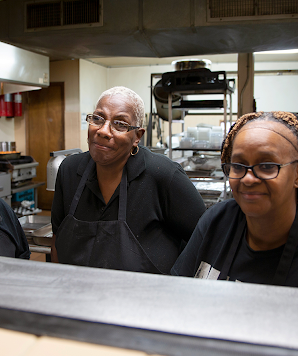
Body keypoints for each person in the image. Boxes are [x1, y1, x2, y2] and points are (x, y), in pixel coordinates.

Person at [172, 112, 298, 294]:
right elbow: (176, 294)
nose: (248, 178)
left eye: (267, 165)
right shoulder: (216, 222)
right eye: (238, 165)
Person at [51, 86, 206, 274]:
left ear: (137, 136)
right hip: (77, 295)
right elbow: (57, 239)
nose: (103, 131)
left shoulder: (163, 175)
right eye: (98, 119)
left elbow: (205, 240)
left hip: (145, 299)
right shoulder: (69, 170)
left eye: (120, 124)